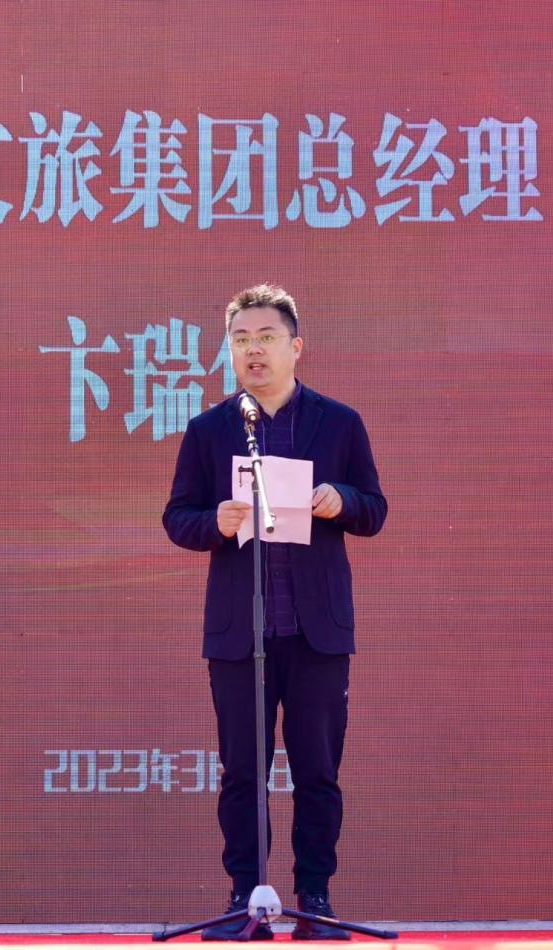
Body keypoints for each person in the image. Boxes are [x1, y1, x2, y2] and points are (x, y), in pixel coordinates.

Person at [163, 284, 387, 940]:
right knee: (242, 774)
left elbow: (374, 508)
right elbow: (177, 517)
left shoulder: (338, 423)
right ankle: (245, 899)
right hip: (242, 633)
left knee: (317, 772)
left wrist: (341, 500)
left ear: (295, 347)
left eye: (265, 338)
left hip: (317, 633)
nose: (252, 350)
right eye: (240, 340)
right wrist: (215, 520)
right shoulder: (209, 430)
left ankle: (314, 900)